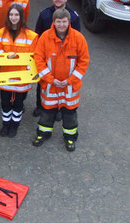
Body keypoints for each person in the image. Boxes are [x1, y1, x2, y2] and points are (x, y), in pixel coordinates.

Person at [32, 8, 89, 152]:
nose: (61, 25)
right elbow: (38, 59)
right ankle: (43, 133)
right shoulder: (45, 37)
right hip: (51, 85)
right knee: (47, 111)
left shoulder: (78, 38)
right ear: (54, 22)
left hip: (70, 86)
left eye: (64, 22)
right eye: (59, 22)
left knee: (70, 113)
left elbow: (84, 62)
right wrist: (50, 79)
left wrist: (70, 80)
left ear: (69, 22)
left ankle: (70, 137)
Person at [33, 0, 81, 118]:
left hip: (65, 58)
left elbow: (77, 39)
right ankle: (40, 106)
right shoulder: (44, 14)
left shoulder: (74, 17)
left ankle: (59, 109)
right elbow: (37, 35)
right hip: (47, 56)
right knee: (42, 83)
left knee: (63, 85)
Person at [0, 4, 38, 138]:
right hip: (6, 75)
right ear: (8, 16)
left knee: (19, 103)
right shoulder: (0, 33)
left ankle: (14, 126)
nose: (14, 18)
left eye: (17, 15)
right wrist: (6, 55)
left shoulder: (32, 36)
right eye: (11, 15)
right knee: (5, 102)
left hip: (22, 76)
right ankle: (6, 124)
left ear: (21, 17)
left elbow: (34, 57)